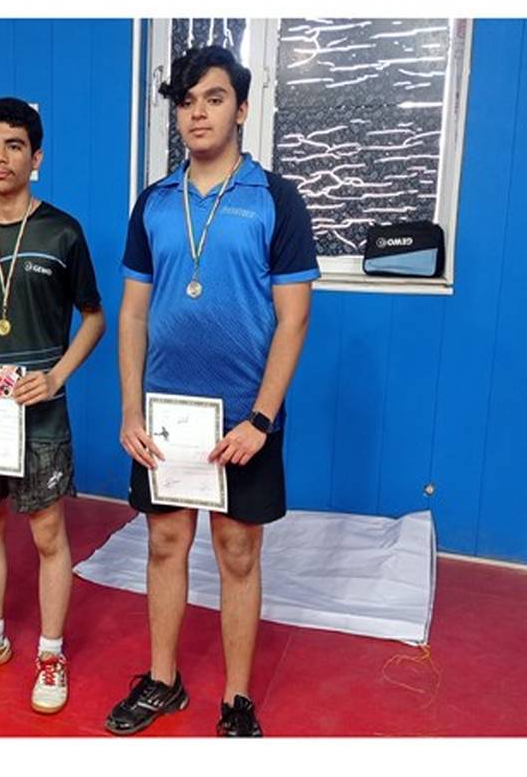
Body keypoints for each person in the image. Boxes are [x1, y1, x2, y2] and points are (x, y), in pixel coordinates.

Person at [105, 46, 319, 737]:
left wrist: (261, 417)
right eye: (187, 101)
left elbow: (294, 319)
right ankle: (162, 681)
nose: (198, 113)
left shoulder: (275, 200)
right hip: (167, 415)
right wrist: (131, 409)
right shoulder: (154, 202)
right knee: (165, 543)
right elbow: (133, 314)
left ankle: (236, 697)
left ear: (242, 109)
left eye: (214, 98)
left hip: (242, 419)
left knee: (237, 552)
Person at [0, 98, 105, 715]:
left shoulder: (63, 231)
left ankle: (51, 653)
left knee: (47, 532)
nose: (0, 158)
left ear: (36, 157)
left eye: (13, 146)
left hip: (39, 411)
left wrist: (56, 376)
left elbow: (94, 318)